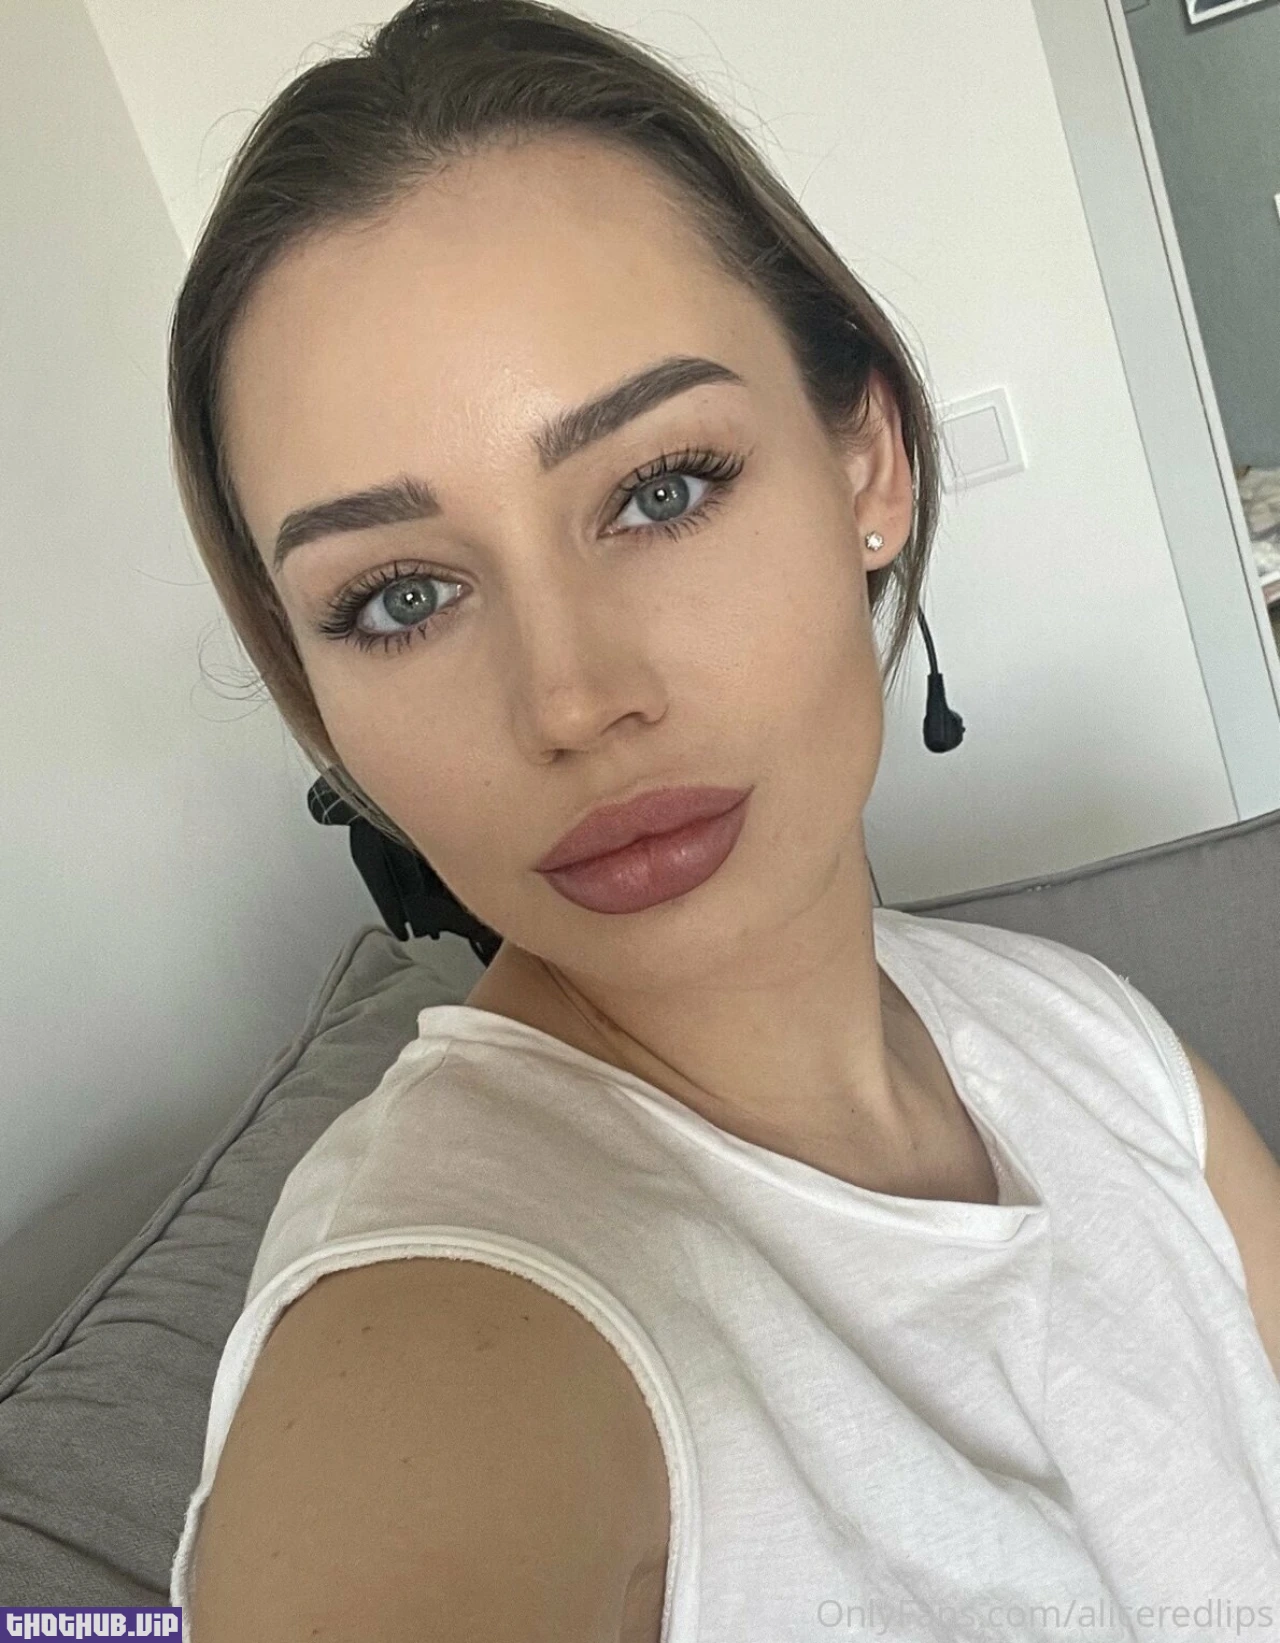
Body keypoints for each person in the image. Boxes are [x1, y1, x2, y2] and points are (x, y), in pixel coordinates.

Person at [165, 2, 1280, 1637]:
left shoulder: (1097, 1049)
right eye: (400, 595)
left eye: (661, 488)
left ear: (867, 466)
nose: (571, 697)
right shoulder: (434, 1344)